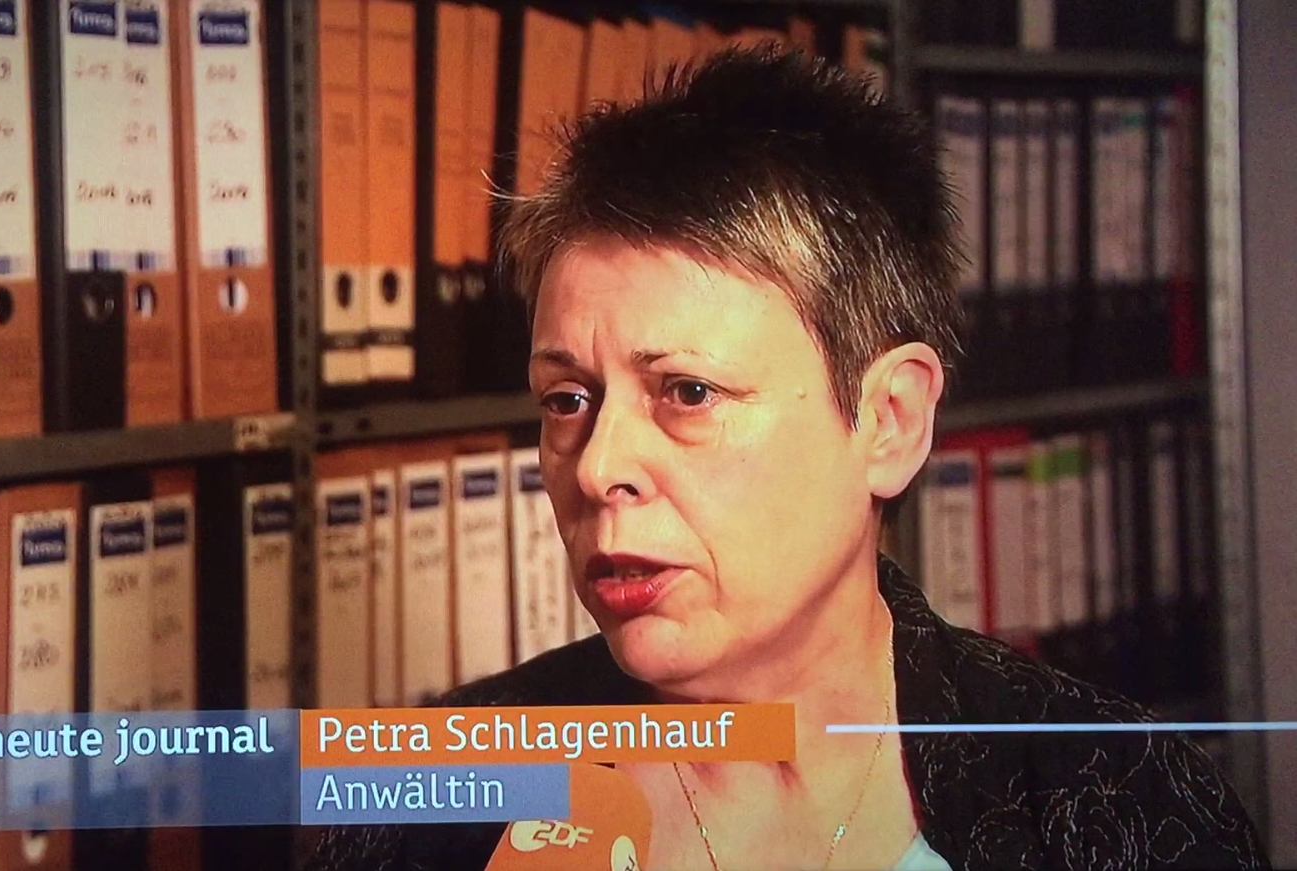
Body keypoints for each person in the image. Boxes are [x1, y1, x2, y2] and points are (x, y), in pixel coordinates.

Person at [304, 45, 1266, 871]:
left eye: (687, 392)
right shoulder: (427, 794)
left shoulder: (1124, 800)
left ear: (888, 421)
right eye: (567, 400)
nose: (596, 469)